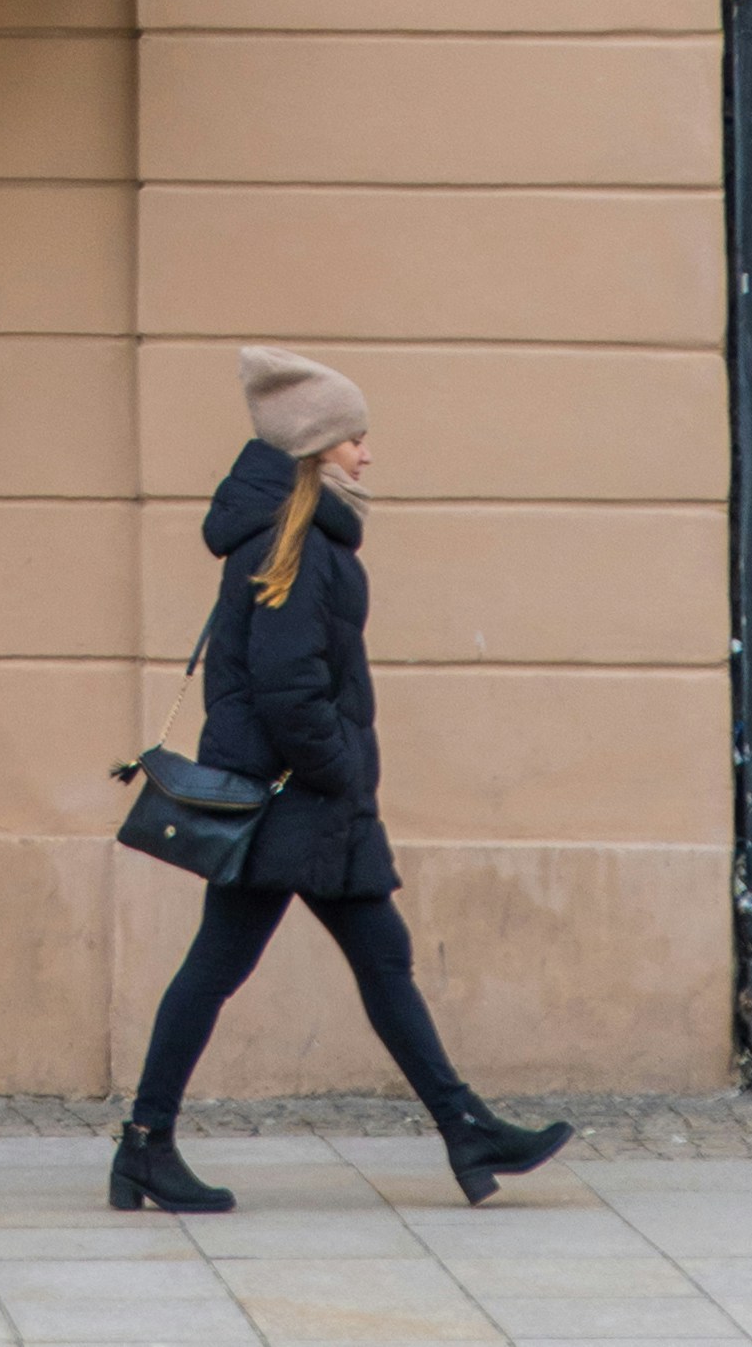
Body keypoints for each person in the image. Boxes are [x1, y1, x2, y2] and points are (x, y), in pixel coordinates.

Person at [111, 346, 577, 1217]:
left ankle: (462, 1125)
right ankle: (145, 1144)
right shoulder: (299, 547)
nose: (366, 453)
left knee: (373, 960)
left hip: (307, 801)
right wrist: (341, 768)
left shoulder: (298, 537)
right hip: (298, 800)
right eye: (353, 438)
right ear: (314, 448)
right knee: (225, 967)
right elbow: (288, 688)